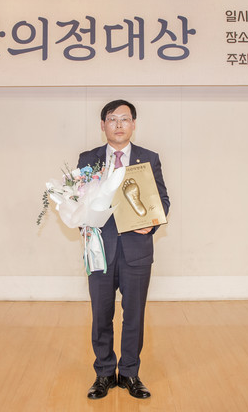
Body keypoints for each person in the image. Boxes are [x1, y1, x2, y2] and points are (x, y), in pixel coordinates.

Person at [77, 99, 170, 400]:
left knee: (134, 317)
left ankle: (130, 373)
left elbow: (162, 200)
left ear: (133, 124)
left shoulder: (149, 158)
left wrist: (151, 224)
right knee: (101, 315)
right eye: (112, 119)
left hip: (136, 251)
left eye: (125, 119)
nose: (118, 124)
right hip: (100, 251)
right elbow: (77, 201)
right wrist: (83, 223)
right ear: (102, 125)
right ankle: (104, 373)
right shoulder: (88, 159)